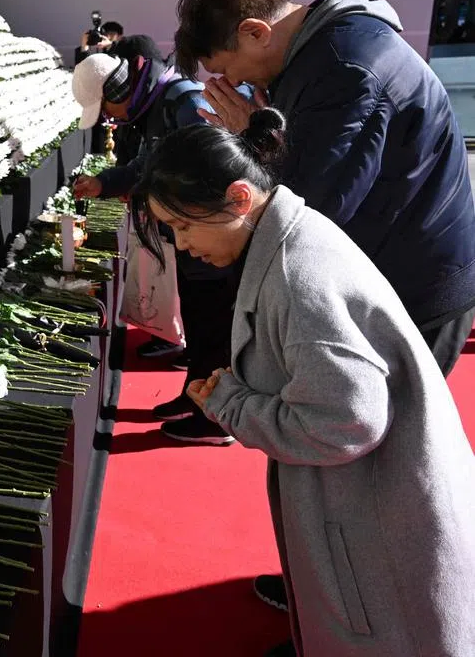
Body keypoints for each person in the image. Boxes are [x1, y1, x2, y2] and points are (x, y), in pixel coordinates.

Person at [174, 0, 475, 639]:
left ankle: (376, 622)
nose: (240, 88)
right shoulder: (334, 47)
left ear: (257, 31)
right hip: (401, 279)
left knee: (372, 483)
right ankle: (337, 599)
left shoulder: (341, 68)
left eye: (233, 71)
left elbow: (309, 207)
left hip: (408, 294)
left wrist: (250, 140)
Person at [131, 109, 475, 657]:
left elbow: (345, 423)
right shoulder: (289, 236)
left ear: (239, 198)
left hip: (380, 519)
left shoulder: (298, 274)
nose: (181, 244)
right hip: (378, 503)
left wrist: (233, 403)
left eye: (183, 225)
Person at [70, 51, 236, 444]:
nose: (110, 118)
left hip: (210, 236)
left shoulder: (184, 102)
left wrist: (153, 192)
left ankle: (214, 420)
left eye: (106, 108)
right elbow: (148, 163)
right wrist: (106, 183)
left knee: (213, 326)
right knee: (198, 322)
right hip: (192, 235)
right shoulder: (158, 105)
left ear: (119, 92)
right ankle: (195, 396)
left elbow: (210, 170)